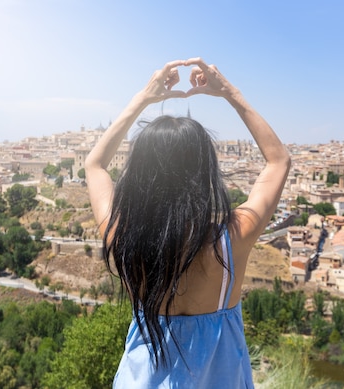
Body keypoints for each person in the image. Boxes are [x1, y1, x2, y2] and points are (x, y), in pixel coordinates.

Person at [85, 58, 291, 388]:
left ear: (139, 178)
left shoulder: (123, 236)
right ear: (203, 173)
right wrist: (229, 92)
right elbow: (279, 160)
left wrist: (144, 97)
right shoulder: (229, 241)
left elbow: (95, 166)